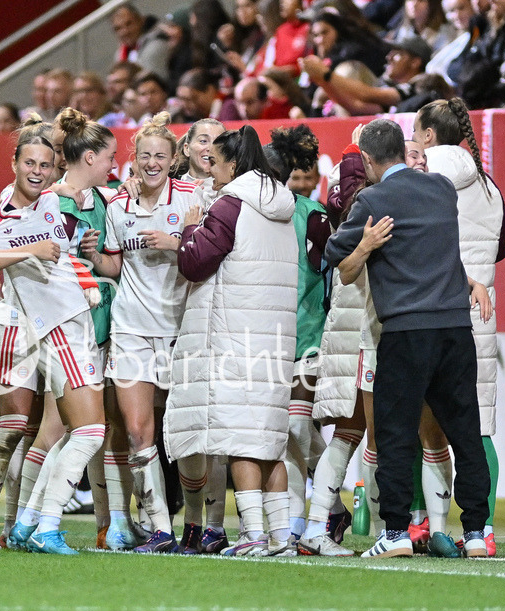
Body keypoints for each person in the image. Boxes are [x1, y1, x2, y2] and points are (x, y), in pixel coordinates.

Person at [324, 118, 492, 559]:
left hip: (405, 329)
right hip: (455, 328)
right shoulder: (441, 189)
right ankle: (475, 531)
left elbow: (333, 255)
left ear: (367, 160)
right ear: (405, 150)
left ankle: (396, 532)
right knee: (465, 433)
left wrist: (365, 244)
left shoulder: (373, 200)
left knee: (397, 434)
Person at [0, 130, 107, 556]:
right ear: (14, 163)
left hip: (65, 323)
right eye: (30, 163)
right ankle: (21, 524)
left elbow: (81, 188)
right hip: (49, 328)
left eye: (46, 165)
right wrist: (28, 252)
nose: (38, 172)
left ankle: (26, 522)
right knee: (73, 430)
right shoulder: (0, 219)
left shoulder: (52, 202)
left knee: (61, 431)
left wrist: (80, 246)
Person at [167, 125, 298, 557]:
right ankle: (280, 536)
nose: (212, 170)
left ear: (233, 164)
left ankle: (254, 535)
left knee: (241, 437)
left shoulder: (231, 204)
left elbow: (195, 263)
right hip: (274, 337)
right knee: (268, 439)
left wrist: (188, 231)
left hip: (235, 335)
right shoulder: (283, 205)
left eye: (217, 163)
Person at [82, 113, 199, 554]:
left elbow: (204, 256)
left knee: (185, 431)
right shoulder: (118, 206)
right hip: (131, 329)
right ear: (134, 160)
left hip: (179, 329)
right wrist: (96, 256)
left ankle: (196, 524)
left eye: (160, 156)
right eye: (145, 155)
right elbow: (115, 266)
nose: (152, 163)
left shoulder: (192, 199)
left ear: (173, 161)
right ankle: (160, 530)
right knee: (136, 432)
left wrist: (176, 241)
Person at [413, 97, 505, 556]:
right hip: (480, 314)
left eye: (416, 132)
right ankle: (482, 529)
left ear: (429, 136)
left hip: (431, 306)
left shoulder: (424, 179)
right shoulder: (490, 188)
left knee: (416, 422)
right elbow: (500, 250)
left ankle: (419, 524)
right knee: (479, 428)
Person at [262, 126, 331, 549]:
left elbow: (333, 271)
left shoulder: (312, 215)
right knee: (285, 432)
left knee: (295, 429)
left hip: (305, 334)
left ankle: (296, 522)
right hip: (260, 339)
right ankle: (335, 507)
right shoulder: (240, 210)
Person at [301, 36, 433, 113]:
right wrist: (322, 81)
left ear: (415, 62)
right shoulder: (396, 91)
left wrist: (326, 74)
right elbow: (355, 106)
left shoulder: (420, 87)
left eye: (398, 54)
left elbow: (366, 94)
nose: (388, 57)